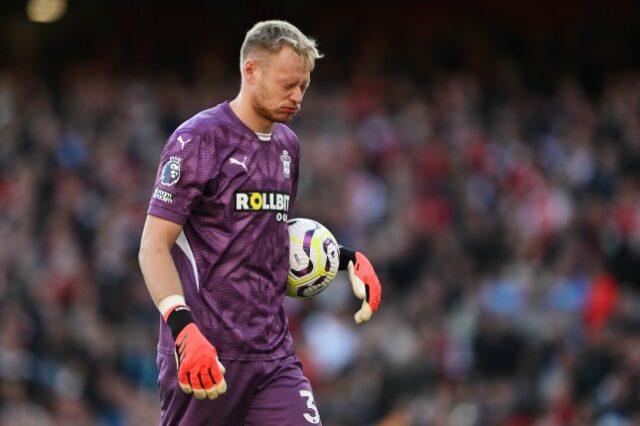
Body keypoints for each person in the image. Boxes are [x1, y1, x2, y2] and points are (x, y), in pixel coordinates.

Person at [138, 20, 382, 426]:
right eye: (288, 84)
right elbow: (153, 245)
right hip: (206, 350)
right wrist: (183, 330)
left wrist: (343, 258)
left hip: (273, 356)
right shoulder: (199, 139)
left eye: (304, 86)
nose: (297, 97)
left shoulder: (288, 145)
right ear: (251, 70)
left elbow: (264, 233)